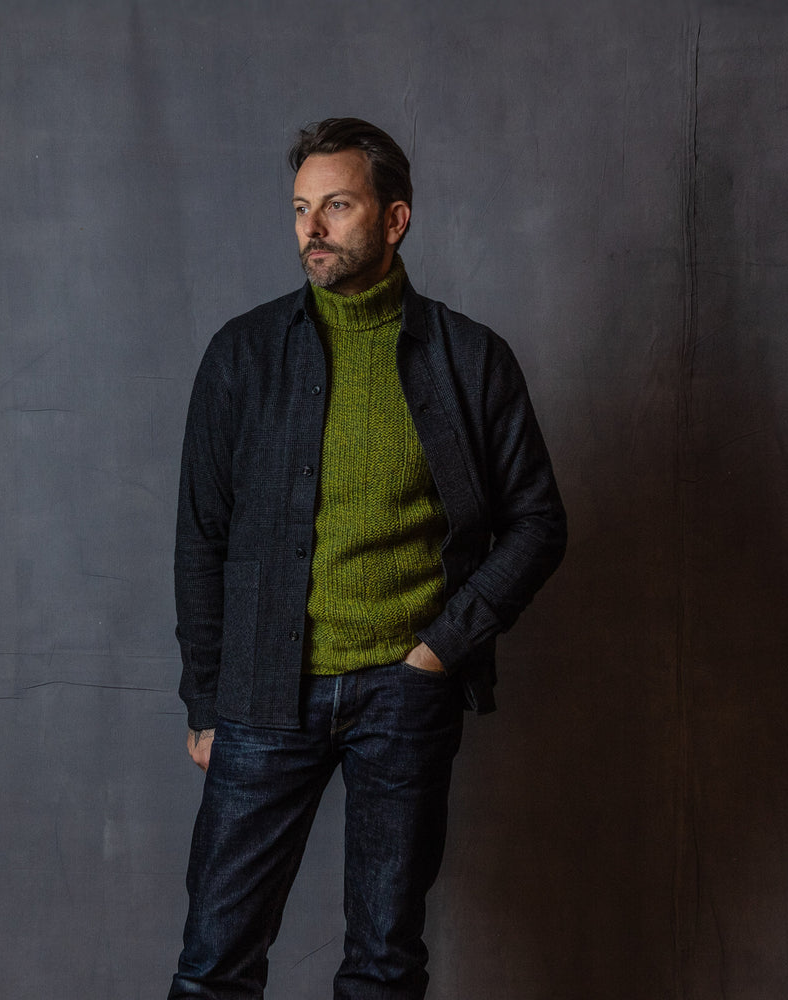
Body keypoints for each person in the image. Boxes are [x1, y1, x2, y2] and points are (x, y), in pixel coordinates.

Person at [168, 117, 566, 1000]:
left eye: (337, 206)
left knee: (385, 963)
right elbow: (202, 534)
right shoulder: (242, 355)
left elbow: (538, 523)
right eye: (300, 208)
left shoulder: (470, 359)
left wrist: (440, 652)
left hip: (404, 693)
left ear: (394, 219)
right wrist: (205, 697)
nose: (311, 227)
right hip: (262, 691)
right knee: (214, 962)